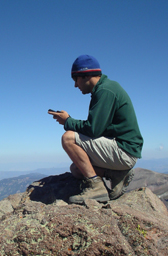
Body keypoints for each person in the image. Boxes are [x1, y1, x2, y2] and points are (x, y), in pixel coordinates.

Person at [48, 54, 143, 204]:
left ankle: (96, 187)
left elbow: (93, 130)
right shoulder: (105, 89)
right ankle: (116, 175)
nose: (75, 85)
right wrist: (69, 120)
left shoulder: (105, 91)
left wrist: (68, 121)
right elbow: (97, 127)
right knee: (77, 169)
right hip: (122, 150)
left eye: (76, 80)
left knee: (68, 138)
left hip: (124, 151)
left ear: (85, 76)